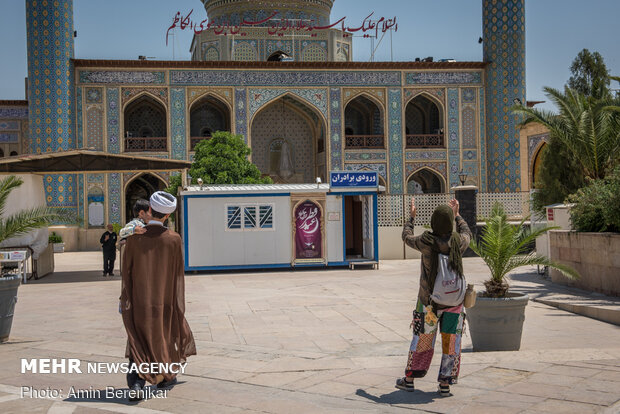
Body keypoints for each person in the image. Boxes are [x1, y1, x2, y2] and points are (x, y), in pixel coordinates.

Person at [120, 191, 196, 401]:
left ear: (150, 211)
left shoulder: (135, 238)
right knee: (162, 338)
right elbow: (177, 275)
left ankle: (136, 383)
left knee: (139, 340)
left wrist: (126, 298)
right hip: (164, 301)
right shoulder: (173, 239)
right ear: (167, 216)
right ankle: (165, 377)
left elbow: (126, 271)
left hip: (139, 301)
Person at [395, 197, 472, 397]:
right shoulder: (458, 242)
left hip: (428, 303)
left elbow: (406, 236)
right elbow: (467, 233)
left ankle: (410, 379)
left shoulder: (426, 241)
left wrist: (411, 218)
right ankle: (445, 384)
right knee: (450, 341)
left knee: (422, 339)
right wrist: (457, 216)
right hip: (454, 303)